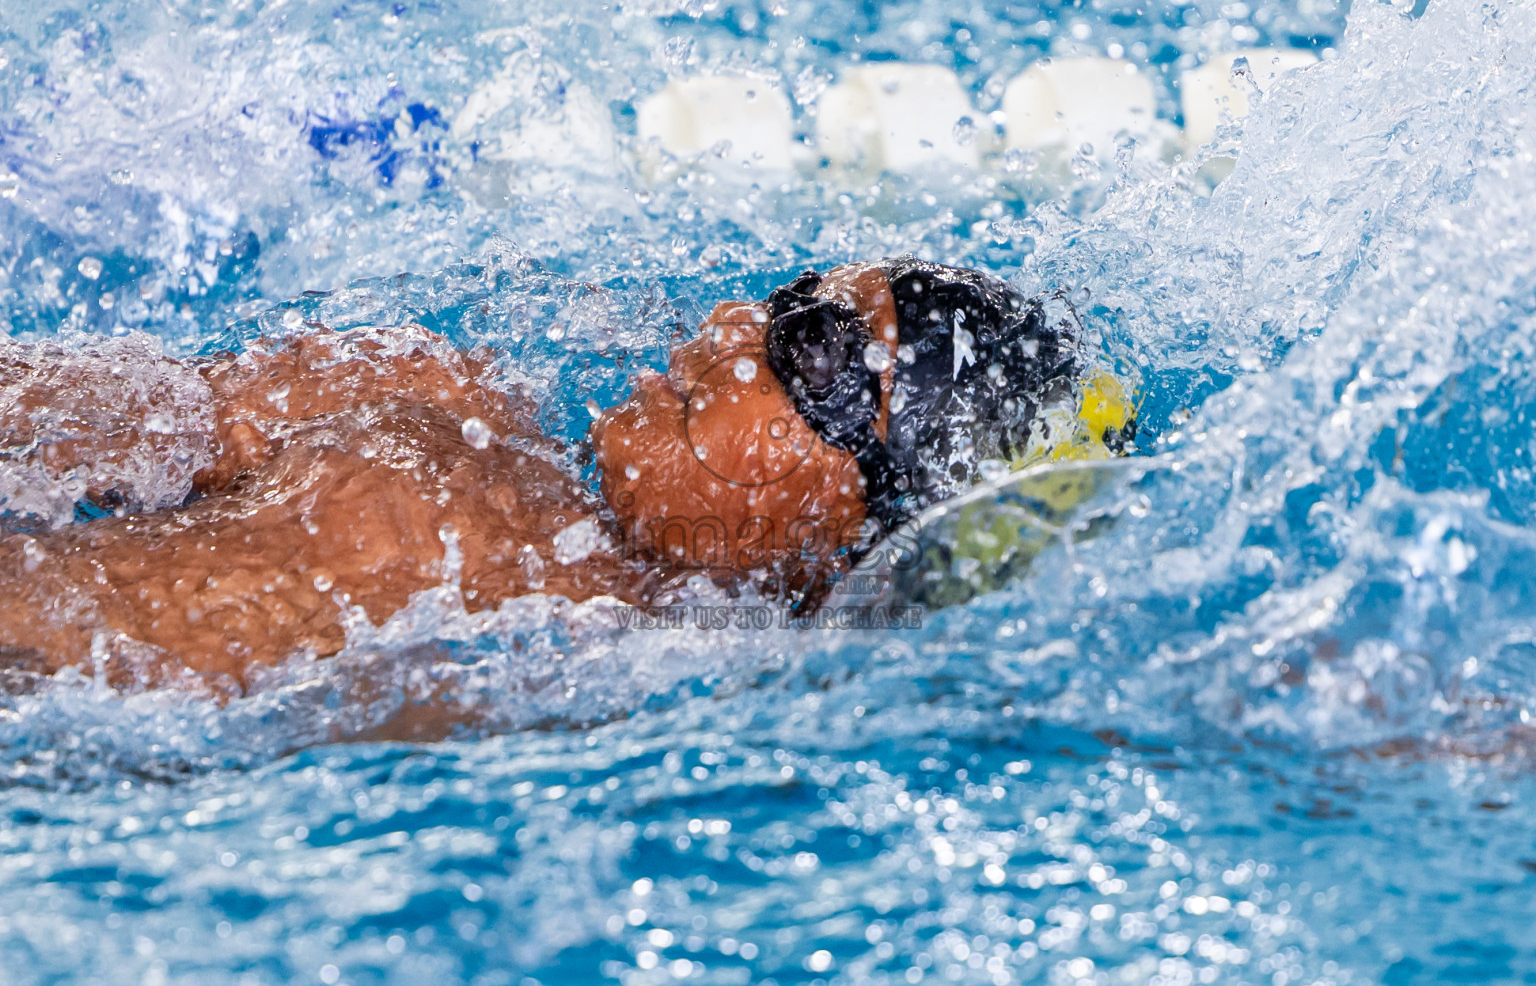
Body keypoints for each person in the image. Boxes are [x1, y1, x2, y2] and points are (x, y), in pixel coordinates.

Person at [0, 258, 1099, 693]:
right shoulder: (430, 385)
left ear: (861, 530)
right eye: (789, 299)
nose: (728, 329)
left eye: (810, 356)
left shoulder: (521, 603)